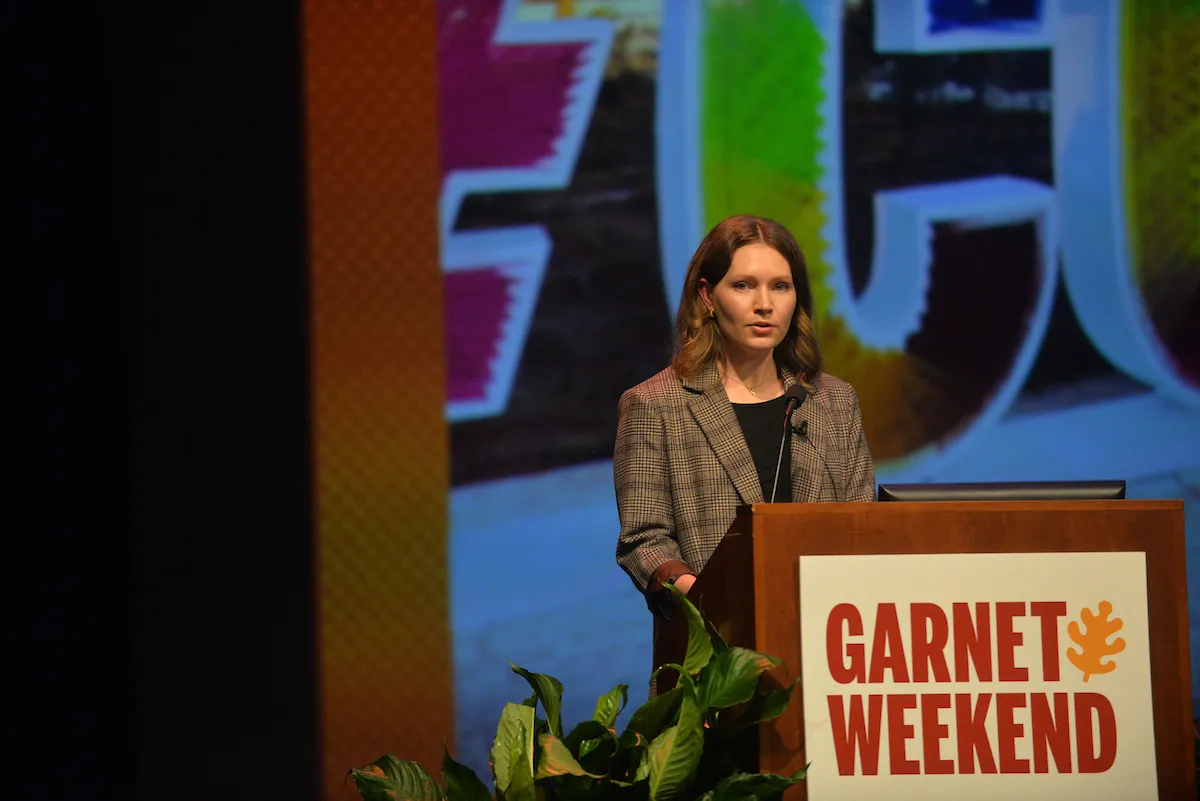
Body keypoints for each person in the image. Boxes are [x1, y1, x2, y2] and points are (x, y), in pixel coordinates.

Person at [614, 215, 875, 616]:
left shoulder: (833, 401)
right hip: (718, 651)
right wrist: (712, 598)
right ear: (707, 296)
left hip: (831, 642)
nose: (764, 305)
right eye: (743, 286)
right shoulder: (655, 405)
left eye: (780, 287)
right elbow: (644, 542)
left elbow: (865, 525)